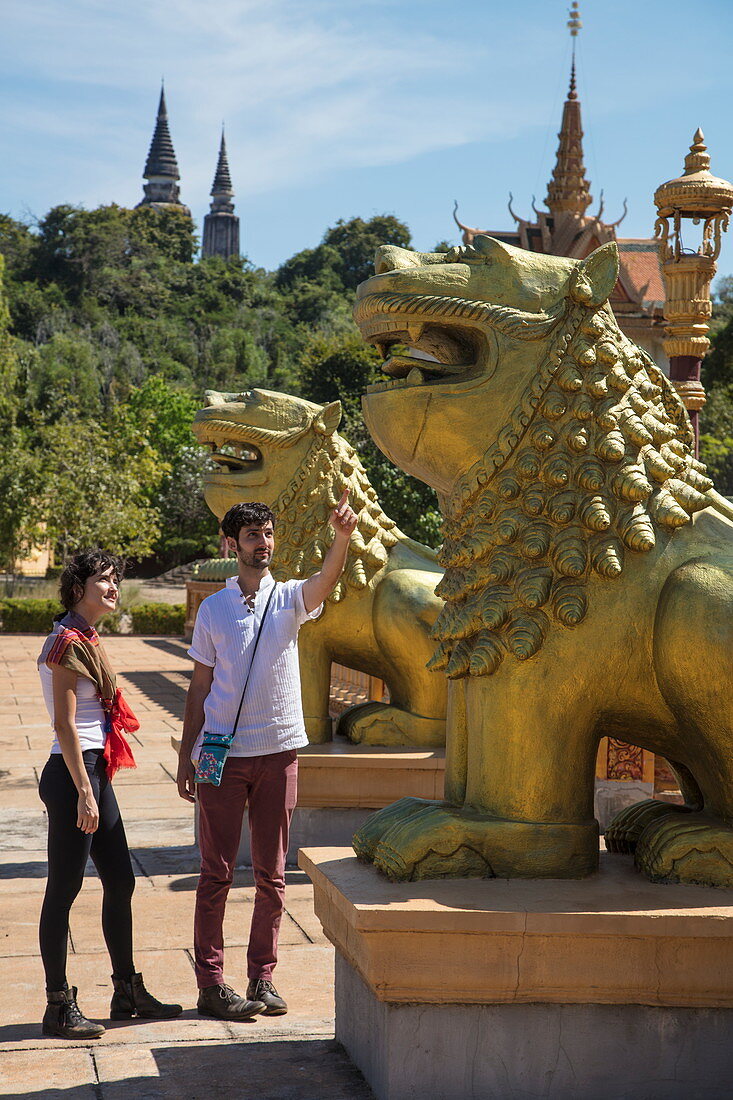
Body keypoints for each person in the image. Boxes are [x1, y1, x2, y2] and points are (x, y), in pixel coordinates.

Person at [176, 494, 357, 1021]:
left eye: (269, 534)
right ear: (230, 545)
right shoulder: (214, 609)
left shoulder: (290, 598)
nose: (264, 544)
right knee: (216, 873)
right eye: (253, 536)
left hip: (278, 752)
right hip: (222, 758)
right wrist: (190, 755)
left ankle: (262, 978)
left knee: (272, 876)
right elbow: (199, 687)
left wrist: (341, 537)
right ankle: (211, 983)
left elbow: (325, 579)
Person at [37, 550, 182, 1039]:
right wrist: (84, 790)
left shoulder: (87, 638)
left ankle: (126, 992)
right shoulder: (65, 643)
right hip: (73, 775)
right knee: (63, 890)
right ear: (78, 587)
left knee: (121, 881)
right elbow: (64, 723)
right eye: (104, 579)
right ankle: (58, 1005)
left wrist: (94, 784)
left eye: (117, 579)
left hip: (94, 772)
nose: (114, 586)